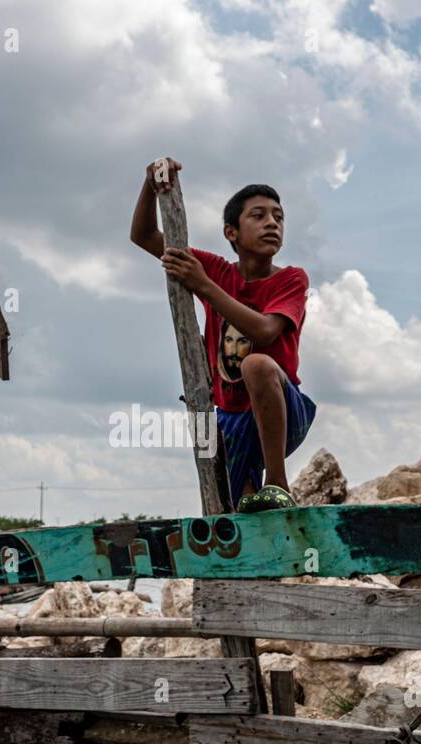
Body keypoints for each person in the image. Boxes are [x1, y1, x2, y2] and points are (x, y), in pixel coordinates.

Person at [129, 157, 315, 513]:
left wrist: (203, 285)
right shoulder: (215, 270)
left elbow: (264, 330)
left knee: (257, 365)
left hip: (282, 413)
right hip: (230, 419)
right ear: (232, 232)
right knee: (240, 507)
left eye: (278, 216)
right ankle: (252, 503)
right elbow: (143, 236)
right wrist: (150, 187)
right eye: (258, 216)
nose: (272, 223)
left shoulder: (290, 278)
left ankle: (277, 483)